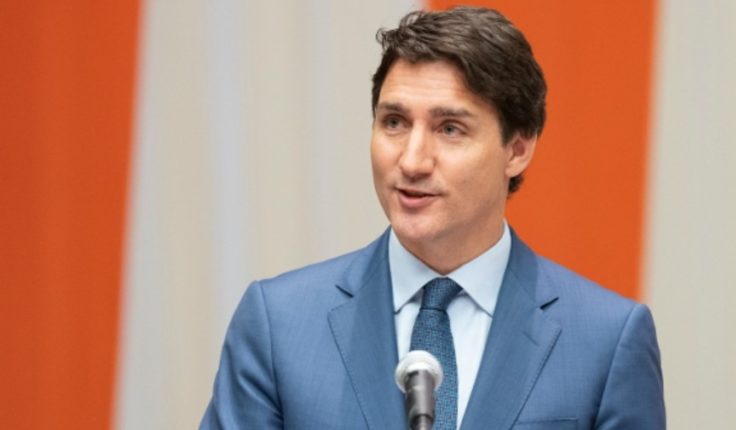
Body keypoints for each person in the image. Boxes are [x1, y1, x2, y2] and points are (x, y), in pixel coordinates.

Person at [200, 6, 665, 430]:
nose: (412, 160)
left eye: (449, 129)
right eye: (394, 122)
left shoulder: (606, 341)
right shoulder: (279, 324)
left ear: (517, 149)